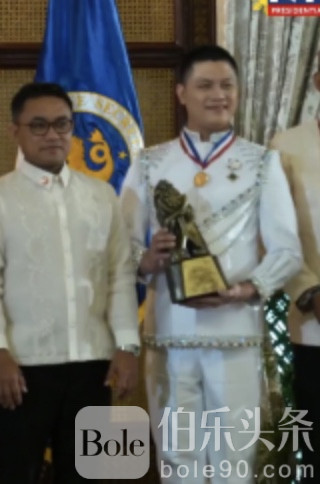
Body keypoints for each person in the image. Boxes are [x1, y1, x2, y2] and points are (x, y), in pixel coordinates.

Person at [120, 45, 302, 483]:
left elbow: (287, 251)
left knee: (234, 462)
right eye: (205, 85)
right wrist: (147, 260)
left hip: (235, 333)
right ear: (182, 93)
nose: (218, 95)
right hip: (169, 334)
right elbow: (120, 250)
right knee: (176, 459)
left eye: (227, 86)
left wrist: (245, 289)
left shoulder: (262, 162)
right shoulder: (149, 163)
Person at [0, 82, 140, 483]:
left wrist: (127, 345)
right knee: (15, 473)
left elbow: (119, 274)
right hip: (24, 366)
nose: (52, 135)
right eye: (39, 125)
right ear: (15, 131)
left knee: (91, 473)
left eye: (62, 124)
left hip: (94, 363)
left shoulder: (102, 196)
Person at [270, 49, 320, 481]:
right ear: (318, 81)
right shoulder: (285, 147)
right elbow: (276, 232)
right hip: (314, 322)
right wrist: (309, 291)